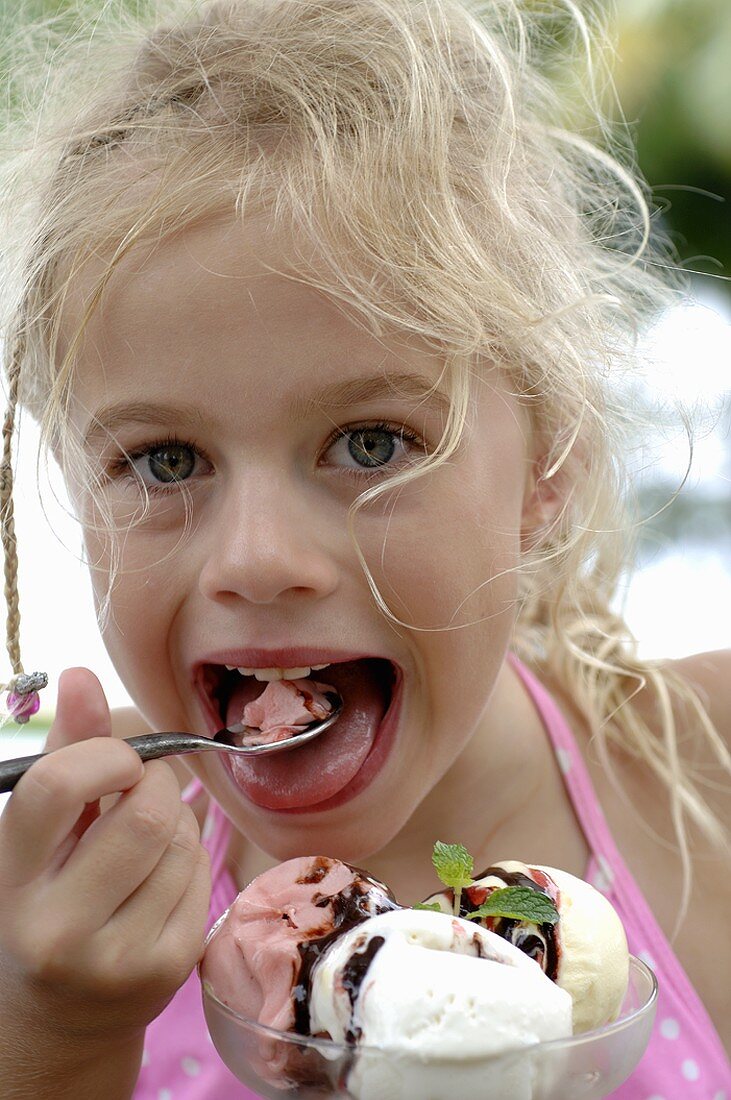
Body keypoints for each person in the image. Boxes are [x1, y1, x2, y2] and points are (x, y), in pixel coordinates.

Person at [0, 0, 728, 1096]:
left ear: (548, 467)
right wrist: (58, 1035)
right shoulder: (47, 921)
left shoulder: (701, 781)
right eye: (163, 459)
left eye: (370, 441)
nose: (256, 557)